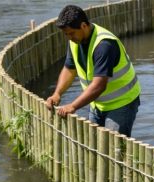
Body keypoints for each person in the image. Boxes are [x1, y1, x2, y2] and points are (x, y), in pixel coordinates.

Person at [44, 5, 141, 137]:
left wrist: (73, 106)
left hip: (122, 103)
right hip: (97, 104)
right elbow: (69, 69)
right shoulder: (74, 41)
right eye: (66, 34)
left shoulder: (104, 45)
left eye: (71, 33)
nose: (69, 37)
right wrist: (57, 94)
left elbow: (99, 86)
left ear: (84, 26)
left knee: (114, 146)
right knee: (95, 144)